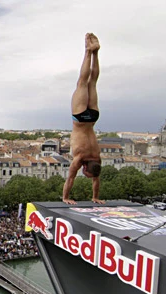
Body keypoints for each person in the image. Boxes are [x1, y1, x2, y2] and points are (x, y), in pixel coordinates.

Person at [63, 33, 106, 205]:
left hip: (92, 118)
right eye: (85, 173)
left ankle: (95, 53)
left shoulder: (97, 157)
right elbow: (70, 179)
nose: (84, 174)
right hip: (80, 119)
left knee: (93, 82)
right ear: (86, 167)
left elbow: (96, 180)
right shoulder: (79, 158)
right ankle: (88, 52)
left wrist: (96, 196)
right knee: (82, 82)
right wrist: (65, 197)